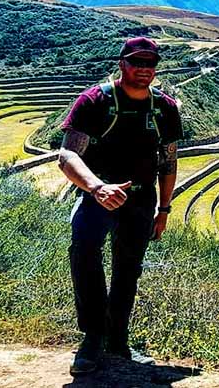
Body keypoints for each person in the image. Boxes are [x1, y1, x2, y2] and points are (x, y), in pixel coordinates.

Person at [58, 37, 183, 375]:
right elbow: (68, 155)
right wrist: (97, 187)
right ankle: (92, 337)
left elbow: (168, 162)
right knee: (84, 252)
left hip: (142, 200)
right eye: (137, 62)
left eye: (150, 63)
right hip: (98, 195)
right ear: (122, 63)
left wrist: (164, 209)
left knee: (129, 269)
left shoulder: (165, 108)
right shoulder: (94, 101)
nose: (144, 69)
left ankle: (118, 339)